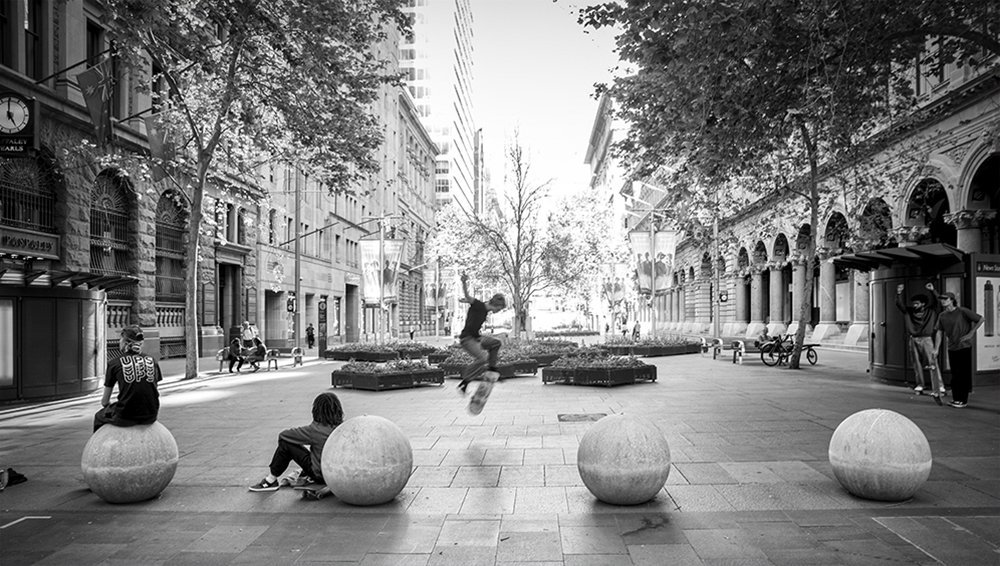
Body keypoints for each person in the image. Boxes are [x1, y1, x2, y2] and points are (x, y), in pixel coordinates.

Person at [249, 392, 344, 497]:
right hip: (337, 474)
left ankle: (270, 480)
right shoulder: (342, 427)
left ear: (316, 411)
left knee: (286, 443)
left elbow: (284, 435)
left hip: (321, 475)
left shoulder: (315, 430)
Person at [93, 325, 163, 432]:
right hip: (151, 414)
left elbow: (104, 401)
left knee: (98, 416)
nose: (119, 341)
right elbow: (151, 388)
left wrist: (109, 407)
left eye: (120, 338)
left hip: (126, 416)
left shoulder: (114, 363)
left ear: (126, 343)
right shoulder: (152, 360)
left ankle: (97, 447)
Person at [456, 272, 507, 394]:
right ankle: (465, 382)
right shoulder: (478, 305)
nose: (497, 311)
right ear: (495, 304)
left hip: (476, 338)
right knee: (483, 358)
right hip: (467, 339)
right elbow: (468, 296)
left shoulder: (485, 311)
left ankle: (492, 369)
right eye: (498, 309)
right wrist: (463, 282)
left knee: (495, 343)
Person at [895, 282, 944, 403]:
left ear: (923, 304)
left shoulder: (931, 311)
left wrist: (933, 291)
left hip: (927, 338)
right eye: (914, 303)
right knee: (916, 363)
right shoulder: (909, 311)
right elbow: (899, 304)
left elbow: (938, 303)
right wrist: (899, 293)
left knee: (932, 362)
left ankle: (939, 385)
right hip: (914, 338)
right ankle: (920, 384)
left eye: (917, 303)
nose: (914, 305)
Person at [936, 292, 983, 408]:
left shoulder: (962, 311)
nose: (943, 301)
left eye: (945, 299)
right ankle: (956, 399)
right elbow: (939, 332)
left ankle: (962, 400)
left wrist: (971, 333)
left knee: (963, 374)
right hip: (952, 347)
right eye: (941, 299)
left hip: (964, 346)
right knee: (955, 374)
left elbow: (981, 319)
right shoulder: (942, 315)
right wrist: (936, 348)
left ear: (952, 300)